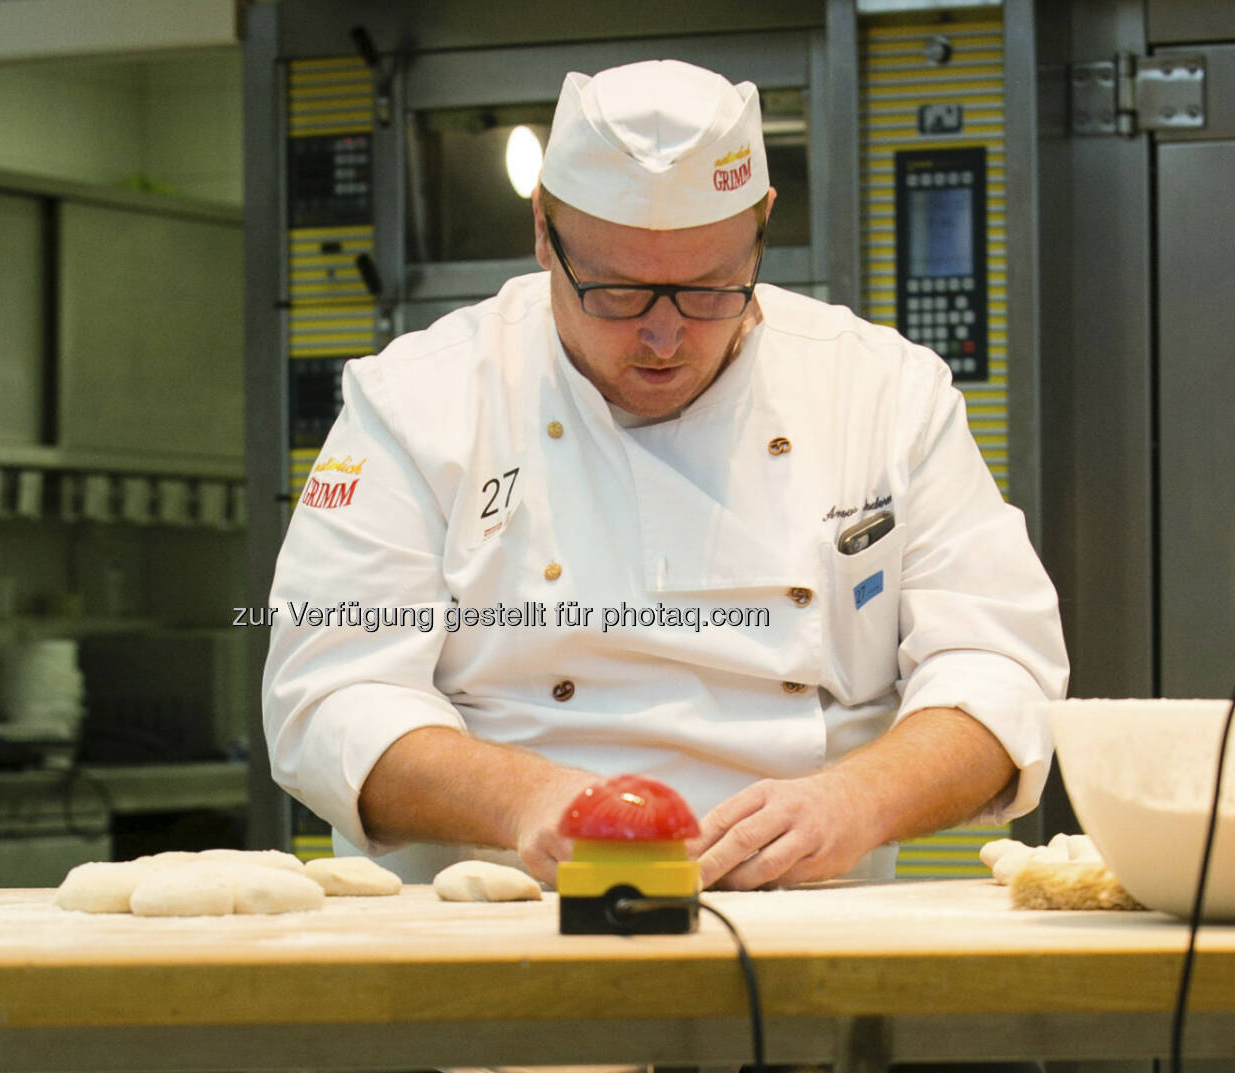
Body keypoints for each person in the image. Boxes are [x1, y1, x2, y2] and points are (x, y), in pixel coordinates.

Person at [262, 59, 1068, 890]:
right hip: (494, 918)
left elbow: (1001, 663)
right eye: (615, 292)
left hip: (810, 922)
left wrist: (856, 801)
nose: (662, 337)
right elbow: (328, 695)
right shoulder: (416, 401)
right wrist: (525, 801)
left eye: (711, 288)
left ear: (763, 227)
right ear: (543, 231)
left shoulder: (884, 392)